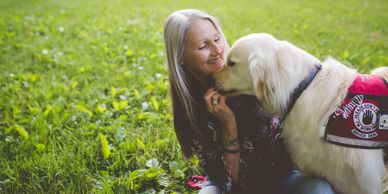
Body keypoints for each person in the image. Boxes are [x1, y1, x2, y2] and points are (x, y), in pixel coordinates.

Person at [163, 9, 336, 194]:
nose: (217, 50)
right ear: (180, 56)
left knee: (318, 189)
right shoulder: (189, 108)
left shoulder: (251, 75)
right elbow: (227, 185)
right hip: (229, 185)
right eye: (203, 46)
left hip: (281, 178)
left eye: (217, 38)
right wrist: (229, 125)